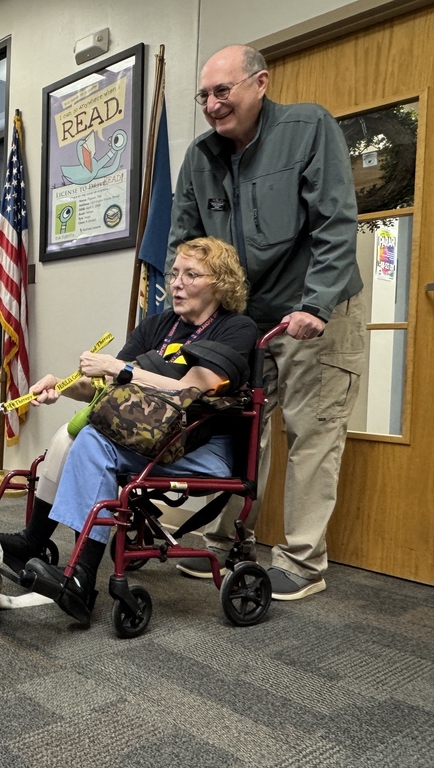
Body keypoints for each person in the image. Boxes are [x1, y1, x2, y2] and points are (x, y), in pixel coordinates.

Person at [167, 45, 366, 600]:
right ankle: (226, 538)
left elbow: (334, 222)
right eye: (204, 95)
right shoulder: (200, 156)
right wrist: (182, 312)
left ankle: (303, 563)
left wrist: (317, 304)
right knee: (237, 424)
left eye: (222, 91)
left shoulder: (307, 127)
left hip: (314, 309)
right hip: (247, 317)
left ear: (260, 83)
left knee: (311, 429)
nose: (212, 104)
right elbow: (183, 242)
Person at [0, 237, 257, 625]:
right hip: (150, 436)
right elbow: (108, 386)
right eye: (174, 274)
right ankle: (36, 543)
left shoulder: (237, 329)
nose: (176, 283)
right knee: (69, 436)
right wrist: (61, 385)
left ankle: (80, 578)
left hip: (201, 444)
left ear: (220, 283)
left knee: (92, 439)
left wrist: (125, 370)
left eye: (191, 275)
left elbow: (196, 386)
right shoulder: (159, 325)